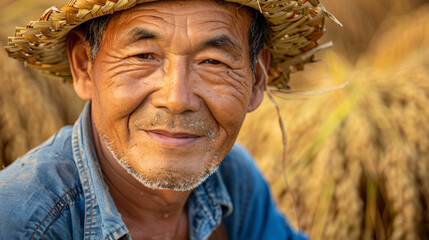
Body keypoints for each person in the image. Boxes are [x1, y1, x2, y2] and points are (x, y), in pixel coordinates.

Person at [0, 0, 333, 239]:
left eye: (213, 62)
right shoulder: (24, 224)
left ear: (257, 78)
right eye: (143, 56)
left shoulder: (233, 180)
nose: (176, 99)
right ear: (84, 65)